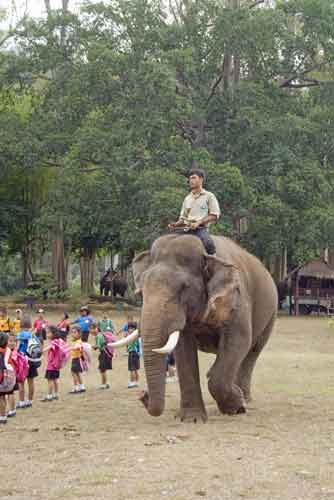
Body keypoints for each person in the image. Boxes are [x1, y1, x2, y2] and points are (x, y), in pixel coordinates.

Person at [168, 167, 220, 255]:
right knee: (168, 242)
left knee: (209, 244)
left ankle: (212, 264)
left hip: (200, 229)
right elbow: (183, 218)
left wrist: (198, 222)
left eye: (193, 178)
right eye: (190, 178)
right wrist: (175, 224)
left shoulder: (209, 196)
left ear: (201, 179)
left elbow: (214, 215)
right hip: (186, 229)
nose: (191, 181)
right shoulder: (187, 198)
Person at [16, 315, 40, 408]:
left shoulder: (20, 334)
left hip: (23, 361)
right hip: (32, 360)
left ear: (21, 324)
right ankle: (30, 401)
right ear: (30, 325)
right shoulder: (32, 334)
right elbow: (38, 345)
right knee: (31, 382)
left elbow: (17, 347)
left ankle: (21, 402)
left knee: (21, 382)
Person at [41, 326, 66, 402]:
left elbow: (51, 347)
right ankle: (56, 394)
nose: (47, 334)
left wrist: (43, 350)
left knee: (50, 380)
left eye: (48, 333)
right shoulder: (59, 340)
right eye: (46, 332)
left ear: (54, 334)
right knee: (55, 380)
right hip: (56, 365)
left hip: (51, 365)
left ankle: (49, 395)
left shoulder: (54, 341)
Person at [91, 323, 115, 389]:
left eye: (94, 328)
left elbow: (98, 346)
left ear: (97, 328)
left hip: (104, 353)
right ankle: (105, 383)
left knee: (102, 369)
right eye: (91, 329)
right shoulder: (100, 335)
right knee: (102, 369)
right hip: (105, 353)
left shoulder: (98, 336)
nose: (92, 330)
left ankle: (103, 384)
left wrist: (92, 347)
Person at [0, 332, 16, 424]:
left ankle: (2, 416)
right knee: (9, 393)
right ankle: (9, 411)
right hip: (10, 375)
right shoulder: (9, 350)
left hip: (2, 375)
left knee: (1, 397)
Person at [69, 326, 86, 394]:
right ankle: (82, 387)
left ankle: (76, 388)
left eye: (75, 332)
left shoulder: (79, 341)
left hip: (76, 359)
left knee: (74, 373)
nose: (73, 334)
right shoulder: (76, 341)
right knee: (77, 373)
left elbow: (78, 347)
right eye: (72, 332)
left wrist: (73, 347)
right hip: (76, 359)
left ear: (79, 334)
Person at [127, 322, 140, 388]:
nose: (130, 330)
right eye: (129, 328)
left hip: (132, 353)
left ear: (135, 329)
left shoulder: (132, 336)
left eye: (132, 328)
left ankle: (132, 382)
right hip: (135, 353)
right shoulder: (136, 336)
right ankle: (136, 381)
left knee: (132, 369)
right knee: (135, 369)